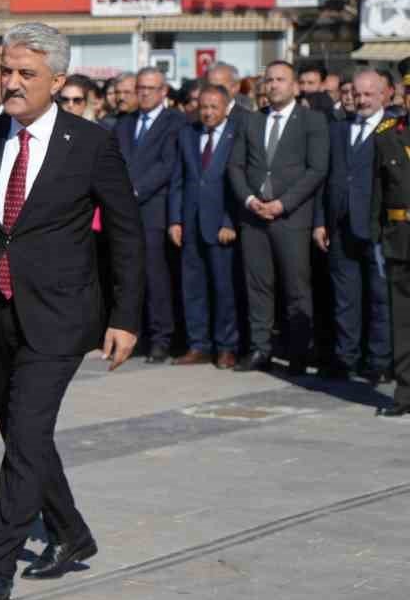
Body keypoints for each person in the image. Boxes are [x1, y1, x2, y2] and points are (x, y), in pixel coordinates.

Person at [0, 22, 144, 600]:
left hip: (61, 315)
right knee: (22, 435)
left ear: (58, 81)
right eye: (5, 72)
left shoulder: (91, 145)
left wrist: (126, 316)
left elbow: (125, 235)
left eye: (25, 75)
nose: (10, 84)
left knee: (26, 436)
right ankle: (70, 531)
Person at [228, 61, 330, 373]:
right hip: (254, 216)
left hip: (291, 217)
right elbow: (235, 166)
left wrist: (283, 204)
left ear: (295, 86)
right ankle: (261, 349)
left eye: (280, 80)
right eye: (269, 80)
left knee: (296, 287)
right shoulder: (251, 121)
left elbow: (317, 169)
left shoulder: (312, 121)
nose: (273, 85)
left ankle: (299, 352)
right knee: (258, 285)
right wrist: (249, 199)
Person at [315, 68, 392, 383]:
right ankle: (346, 357)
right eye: (356, 94)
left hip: (377, 228)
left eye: (368, 94)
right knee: (345, 297)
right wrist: (320, 222)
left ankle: (380, 361)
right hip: (340, 225)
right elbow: (325, 178)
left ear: (385, 94)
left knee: (379, 298)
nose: (361, 100)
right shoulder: (338, 130)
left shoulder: (394, 130)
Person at [116, 67, 186, 363]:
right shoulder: (125, 123)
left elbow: (167, 165)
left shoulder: (175, 122)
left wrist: (137, 190)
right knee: (130, 278)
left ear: (163, 92)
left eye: (150, 88)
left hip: (154, 210)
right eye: (140, 88)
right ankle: (137, 335)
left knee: (156, 278)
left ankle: (162, 338)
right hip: (124, 213)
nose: (143, 93)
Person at [169, 85, 242, 369]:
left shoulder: (236, 135)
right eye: (204, 107)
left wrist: (229, 221)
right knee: (193, 288)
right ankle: (198, 344)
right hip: (190, 224)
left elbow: (238, 183)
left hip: (221, 226)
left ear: (226, 107)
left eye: (214, 107)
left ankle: (226, 346)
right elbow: (178, 180)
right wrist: (175, 219)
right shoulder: (188, 134)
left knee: (224, 289)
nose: (208, 112)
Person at [371, 110, 410, 416]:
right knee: (402, 319)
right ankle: (405, 393)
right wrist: (376, 237)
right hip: (400, 238)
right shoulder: (386, 136)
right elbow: (377, 193)